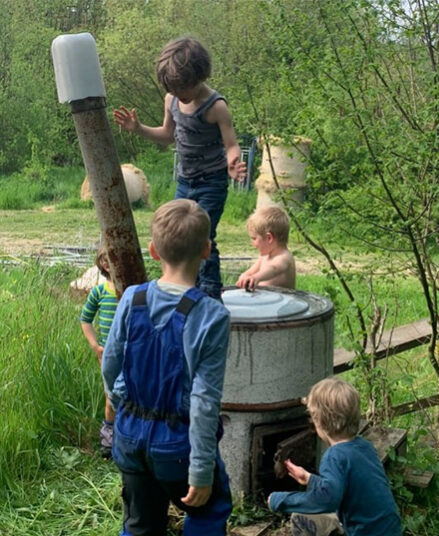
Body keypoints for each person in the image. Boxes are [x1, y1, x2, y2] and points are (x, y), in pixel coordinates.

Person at [102, 199, 233, 536]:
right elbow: (205, 402)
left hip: (131, 438)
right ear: (207, 250)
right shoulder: (211, 315)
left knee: (141, 526)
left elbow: (110, 365)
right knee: (209, 511)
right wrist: (199, 473)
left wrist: (124, 401)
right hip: (179, 445)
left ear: (154, 251)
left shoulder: (132, 299)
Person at [113, 36, 247, 300]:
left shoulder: (216, 107)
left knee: (202, 234)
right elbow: (167, 135)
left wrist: (233, 162)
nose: (178, 95)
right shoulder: (171, 101)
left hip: (211, 182)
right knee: (176, 232)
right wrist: (138, 128)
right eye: (173, 90)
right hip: (185, 181)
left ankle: (208, 295)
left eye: (182, 89)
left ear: (200, 76)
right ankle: (183, 287)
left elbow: (231, 144)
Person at [268, 377, 401, 536]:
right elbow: (341, 489)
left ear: (319, 420)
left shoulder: (334, 456)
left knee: (300, 520)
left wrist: (280, 500)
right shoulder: (363, 447)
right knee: (332, 519)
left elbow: (326, 500)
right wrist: (311, 480)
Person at [79, 244, 119, 459]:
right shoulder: (100, 291)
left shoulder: (132, 291)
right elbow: (85, 319)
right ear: (103, 264)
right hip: (108, 353)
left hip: (131, 352)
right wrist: (95, 346)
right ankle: (108, 438)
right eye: (108, 259)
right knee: (110, 396)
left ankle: (129, 435)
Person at [236, 205, 296, 291]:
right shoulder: (264, 256)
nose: (252, 244)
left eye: (254, 238)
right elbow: (252, 270)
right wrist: (245, 275)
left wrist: (256, 277)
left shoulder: (284, 257)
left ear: (269, 238)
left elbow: (274, 268)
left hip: (282, 302)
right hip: (264, 299)